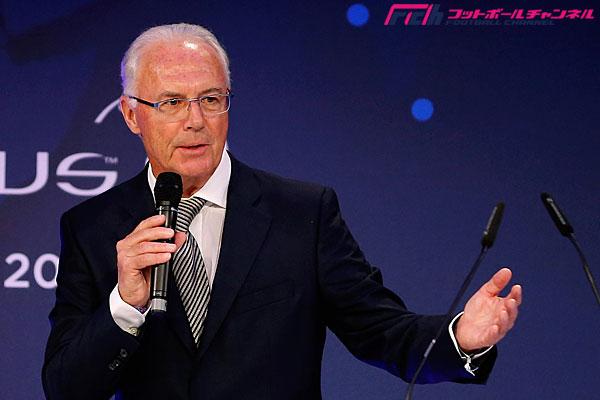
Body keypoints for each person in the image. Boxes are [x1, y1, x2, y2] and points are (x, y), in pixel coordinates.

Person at [42, 23, 521, 399]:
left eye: (211, 99)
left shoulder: (302, 213)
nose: (196, 120)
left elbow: (380, 331)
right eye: (172, 102)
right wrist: (125, 306)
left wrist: (461, 338)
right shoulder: (92, 228)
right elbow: (66, 387)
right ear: (131, 114)